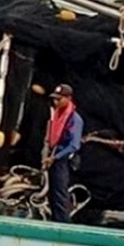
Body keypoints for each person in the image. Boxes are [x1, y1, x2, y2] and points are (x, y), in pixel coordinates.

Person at [43, 83, 83, 223]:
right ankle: (55, 220)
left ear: (68, 98)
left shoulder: (75, 119)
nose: (56, 102)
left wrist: (56, 157)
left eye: (59, 99)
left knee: (60, 194)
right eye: (55, 99)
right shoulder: (57, 115)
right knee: (52, 194)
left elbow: (74, 145)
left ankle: (63, 223)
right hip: (53, 157)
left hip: (63, 159)